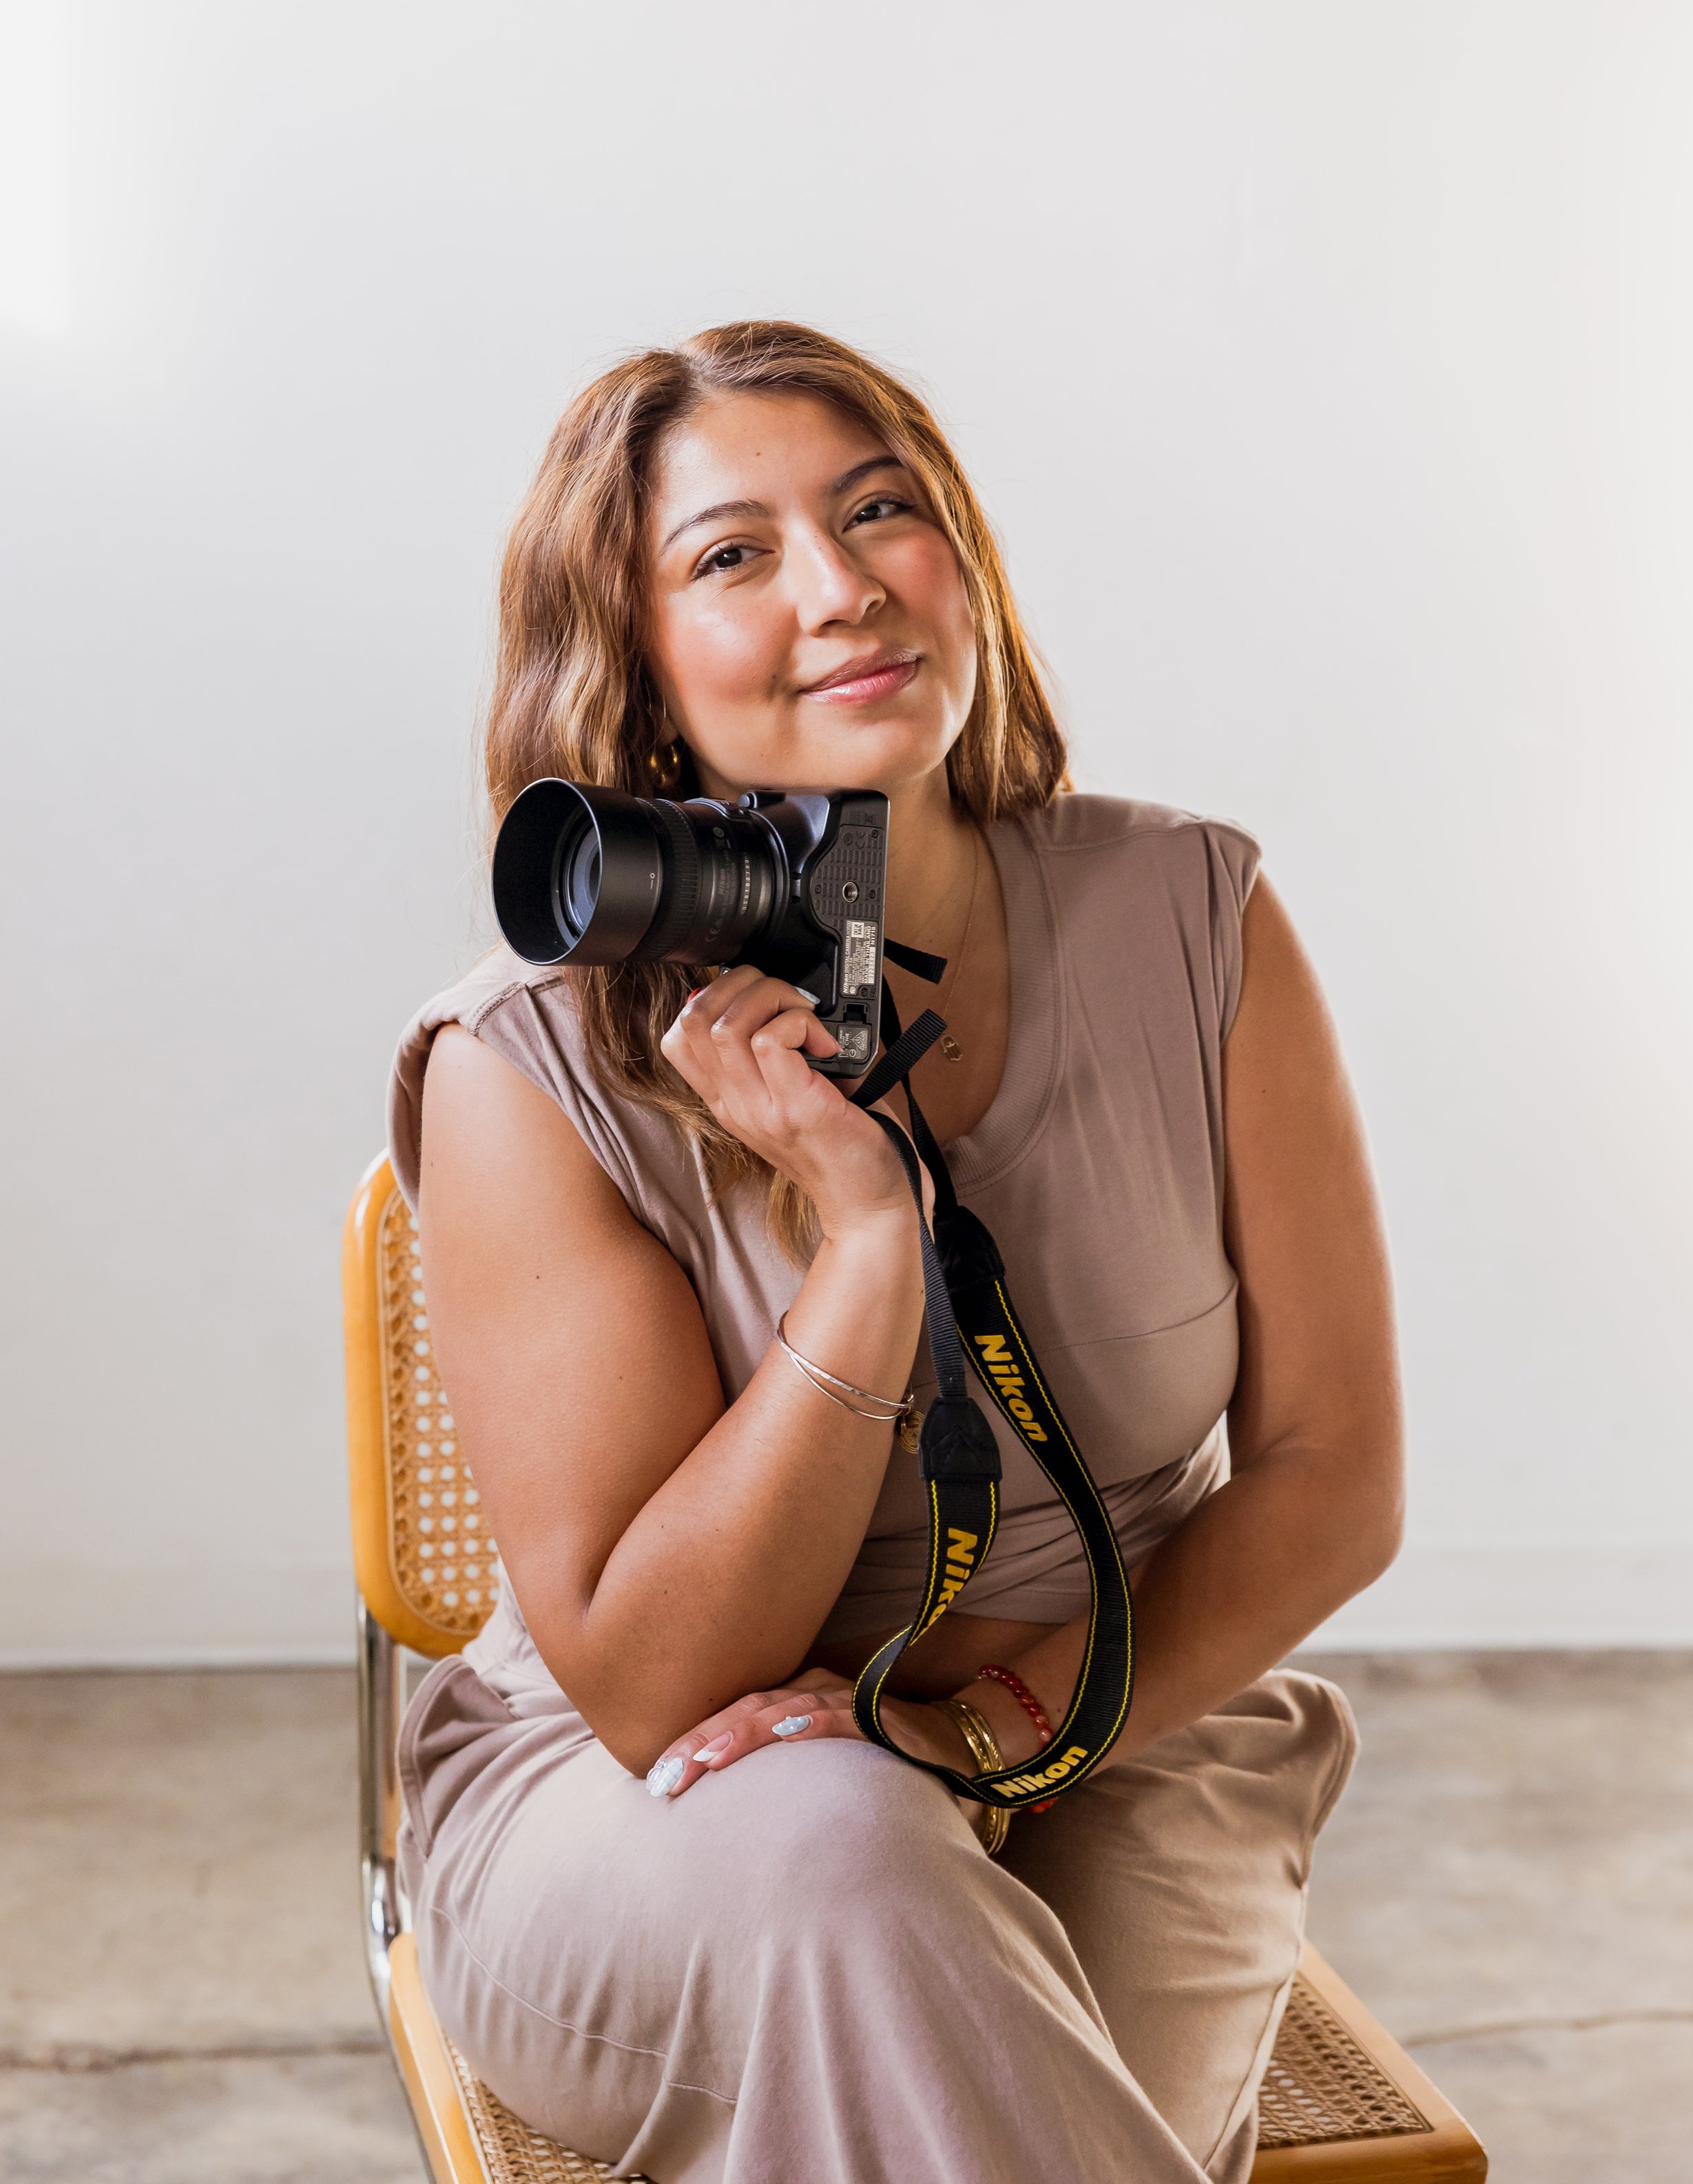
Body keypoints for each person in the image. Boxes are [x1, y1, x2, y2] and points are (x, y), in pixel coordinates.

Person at [386, 320, 1403, 2184]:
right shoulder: (525, 1063)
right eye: (731, 554)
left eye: (881, 514)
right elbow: (652, 1687)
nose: (843, 589)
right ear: (638, 671)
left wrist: (994, 1726)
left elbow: (1333, 1481)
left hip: (1130, 1715)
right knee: (851, 1867)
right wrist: (868, 1242)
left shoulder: (1188, 912)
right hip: (677, 1816)